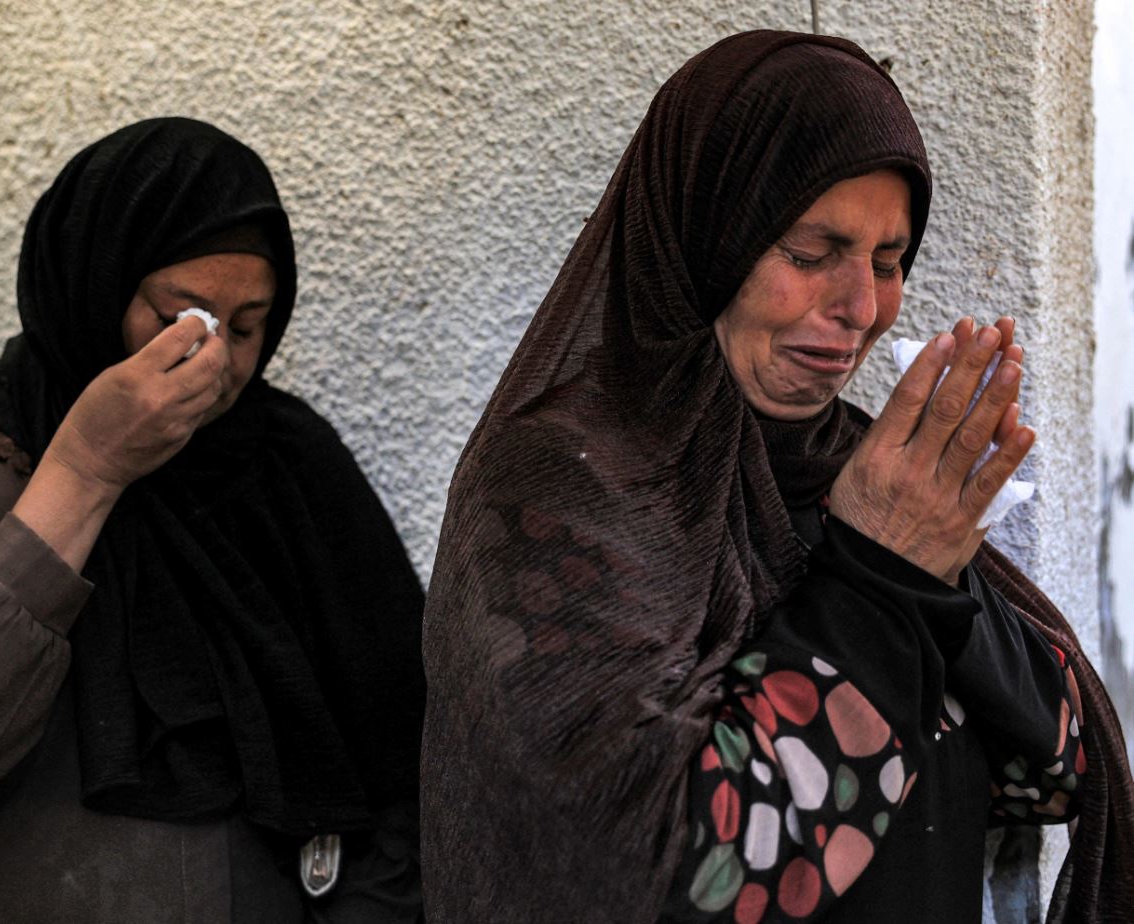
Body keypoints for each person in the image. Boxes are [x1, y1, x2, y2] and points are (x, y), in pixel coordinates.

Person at [419, 31, 1133, 924]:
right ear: (707, 240)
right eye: (809, 252)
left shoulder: (857, 470)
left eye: (888, 261)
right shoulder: (559, 489)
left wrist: (922, 566)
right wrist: (882, 582)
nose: (862, 309)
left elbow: (1054, 768)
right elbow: (669, 879)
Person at [0, 118, 426, 924]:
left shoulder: (285, 465)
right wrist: (85, 471)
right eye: (181, 318)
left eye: (247, 327)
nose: (215, 364)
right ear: (92, 280)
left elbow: (403, 765)